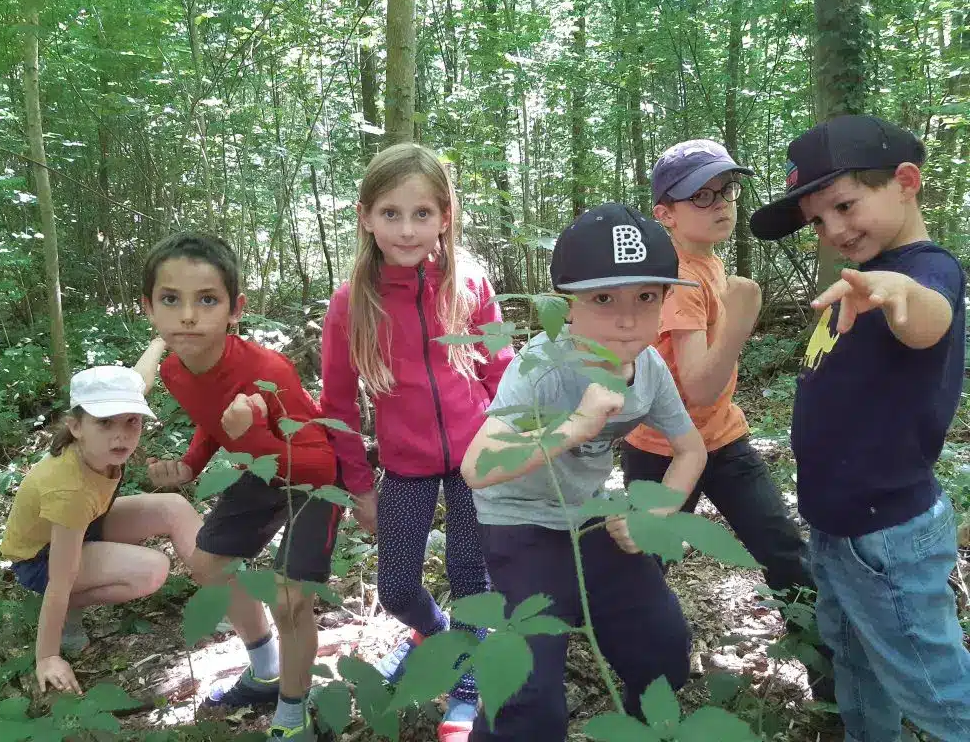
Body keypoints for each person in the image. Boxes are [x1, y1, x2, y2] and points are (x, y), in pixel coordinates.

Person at [750, 114, 970, 741]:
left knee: (935, 690)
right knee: (856, 667)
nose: (834, 230)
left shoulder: (926, 271)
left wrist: (897, 289)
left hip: (886, 538)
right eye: (818, 220)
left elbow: (928, 319)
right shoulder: (858, 281)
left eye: (845, 205)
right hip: (837, 532)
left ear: (906, 181)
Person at [461, 203, 708, 742]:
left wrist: (656, 509)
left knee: (663, 645)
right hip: (519, 522)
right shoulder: (542, 368)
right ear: (568, 306)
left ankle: (641, 729)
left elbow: (691, 450)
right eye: (602, 299)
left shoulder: (648, 368)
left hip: (589, 515)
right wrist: (574, 426)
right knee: (530, 692)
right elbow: (478, 468)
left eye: (646, 297)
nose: (626, 318)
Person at [621, 139, 832, 697]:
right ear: (664, 213)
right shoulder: (676, 282)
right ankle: (651, 689)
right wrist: (739, 319)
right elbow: (696, 386)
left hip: (724, 439)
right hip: (661, 451)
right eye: (701, 195)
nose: (720, 203)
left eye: (728, 190)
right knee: (645, 569)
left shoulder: (708, 263)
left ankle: (835, 691)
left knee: (785, 554)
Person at [320, 143, 514, 742]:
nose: (407, 229)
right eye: (392, 214)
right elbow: (339, 405)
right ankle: (433, 635)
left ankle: (467, 688)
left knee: (470, 578)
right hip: (404, 468)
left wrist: (513, 448)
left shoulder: (471, 281)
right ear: (366, 217)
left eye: (422, 213)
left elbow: (503, 369)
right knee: (398, 585)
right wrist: (359, 489)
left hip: (476, 461)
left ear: (446, 216)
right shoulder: (353, 302)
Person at [142, 233, 339, 741]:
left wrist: (250, 435)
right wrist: (189, 464)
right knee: (208, 564)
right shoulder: (173, 370)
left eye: (207, 299)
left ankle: (294, 718)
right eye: (171, 299)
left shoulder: (266, 369)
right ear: (149, 309)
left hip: (313, 479)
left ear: (235, 309)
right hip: (263, 470)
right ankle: (265, 672)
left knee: (289, 598)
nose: (188, 316)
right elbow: (213, 420)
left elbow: (318, 463)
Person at [1, 342, 203, 697]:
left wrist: (159, 342)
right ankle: (68, 618)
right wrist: (46, 657)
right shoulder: (69, 488)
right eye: (105, 422)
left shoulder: (103, 445)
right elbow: (61, 578)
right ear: (75, 427)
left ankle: (226, 594)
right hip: (40, 559)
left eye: (132, 421)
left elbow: (140, 381)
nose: (121, 434)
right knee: (153, 569)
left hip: (88, 524)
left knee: (173, 506)